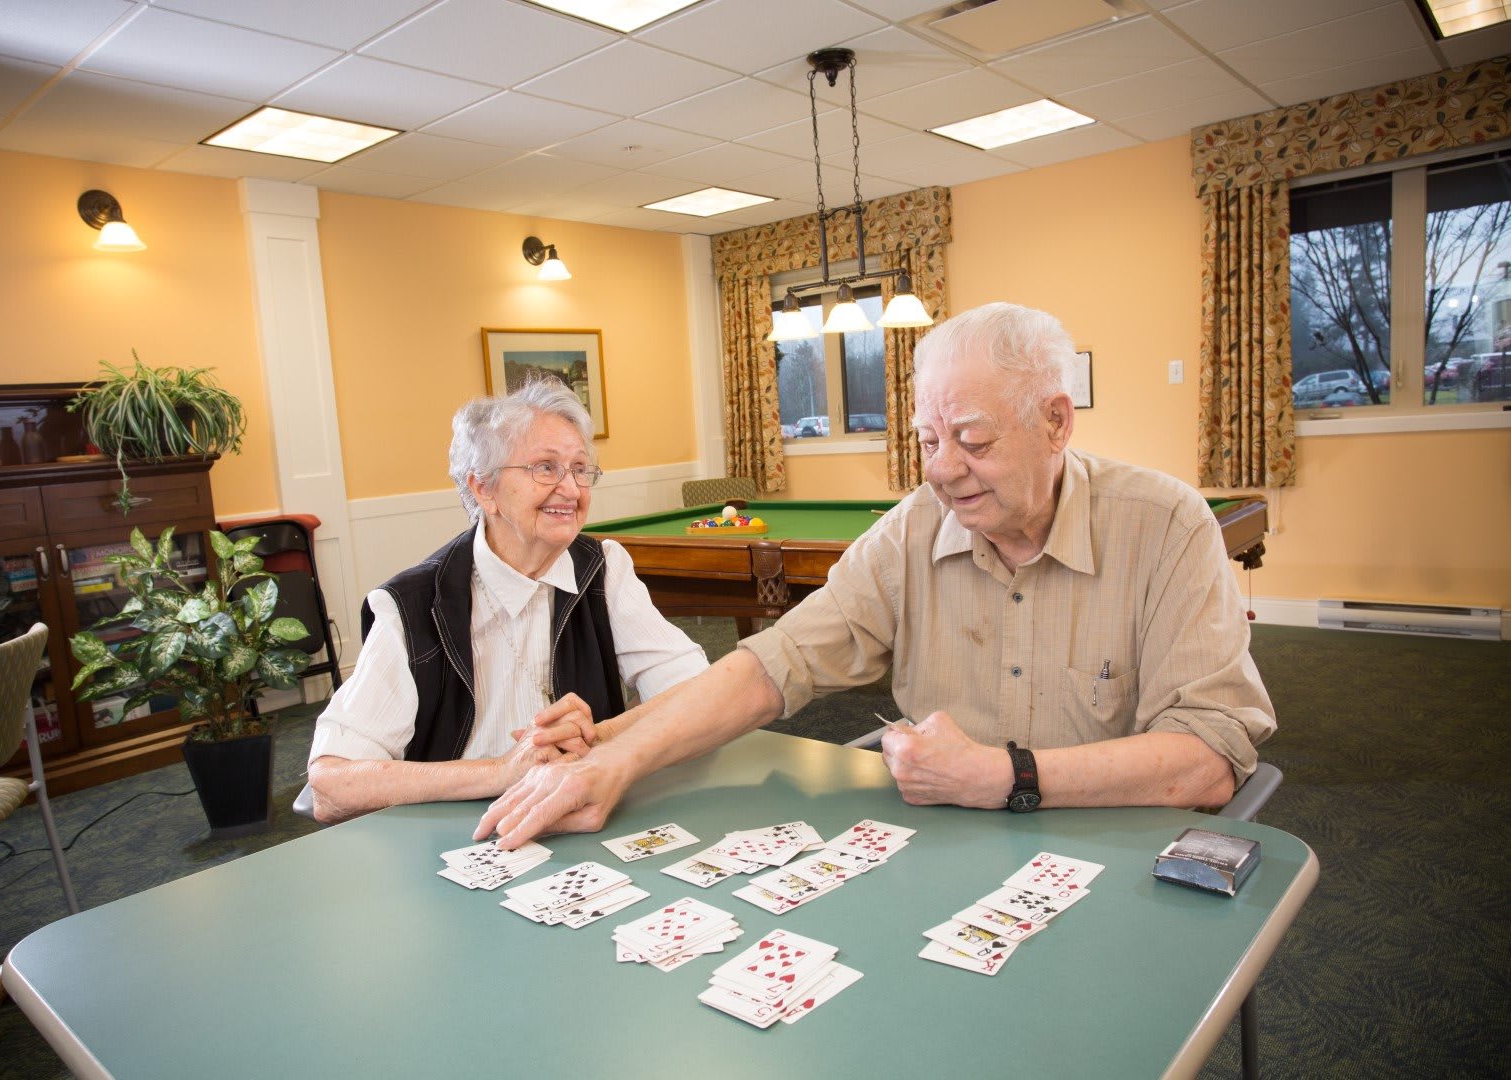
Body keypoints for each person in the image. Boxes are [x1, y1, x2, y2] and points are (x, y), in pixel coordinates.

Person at [476, 302, 1277, 847]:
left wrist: (1002, 775)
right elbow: (770, 666)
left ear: (1056, 422)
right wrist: (613, 748)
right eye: (929, 441)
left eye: (973, 439)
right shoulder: (910, 533)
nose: (945, 470)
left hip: (1117, 844)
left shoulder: (1167, 524)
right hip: (946, 845)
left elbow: (1209, 755)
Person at [305, 378, 708, 823]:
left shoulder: (602, 568)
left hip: (588, 821)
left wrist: (593, 738)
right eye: (545, 468)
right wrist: (502, 770)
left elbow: (700, 695)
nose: (571, 490)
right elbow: (331, 784)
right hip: (457, 841)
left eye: (579, 468)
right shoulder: (411, 606)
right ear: (484, 489)